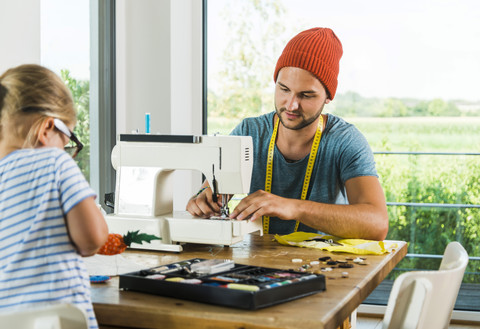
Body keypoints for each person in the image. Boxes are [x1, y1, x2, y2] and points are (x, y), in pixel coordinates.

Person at [186, 27, 388, 241]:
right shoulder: (249, 133)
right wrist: (202, 201)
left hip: (323, 264)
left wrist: (292, 207)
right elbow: (207, 194)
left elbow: (377, 225)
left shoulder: (345, 141)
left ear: (328, 97)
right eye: (284, 89)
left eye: (306, 95)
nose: (291, 105)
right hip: (258, 261)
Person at [0, 64, 108, 329]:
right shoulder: (55, 162)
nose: (67, 148)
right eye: (68, 138)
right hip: (55, 323)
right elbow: (92, 239)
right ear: (48, 127)